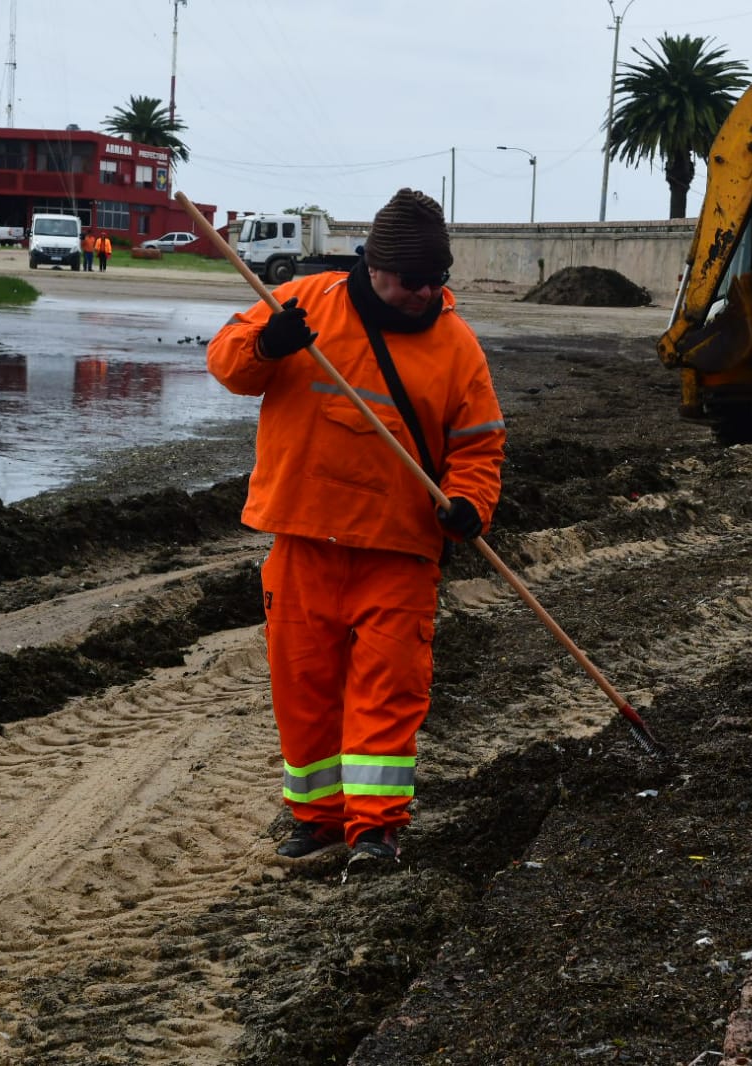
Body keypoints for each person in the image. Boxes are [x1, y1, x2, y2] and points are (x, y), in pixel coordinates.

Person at [206, 188, 506, 868]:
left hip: (399, 551)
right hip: (305, 540)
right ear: (373, 267)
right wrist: (267, 343)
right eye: (411, 282)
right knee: (303, 688)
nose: (424, 294)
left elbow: (480, 447)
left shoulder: (456, 348)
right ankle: (316, 821)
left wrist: (468, 506)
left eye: (436, 282)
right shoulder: (302, 303)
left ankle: (374, 830)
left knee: (388, 692)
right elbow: (226, 363)